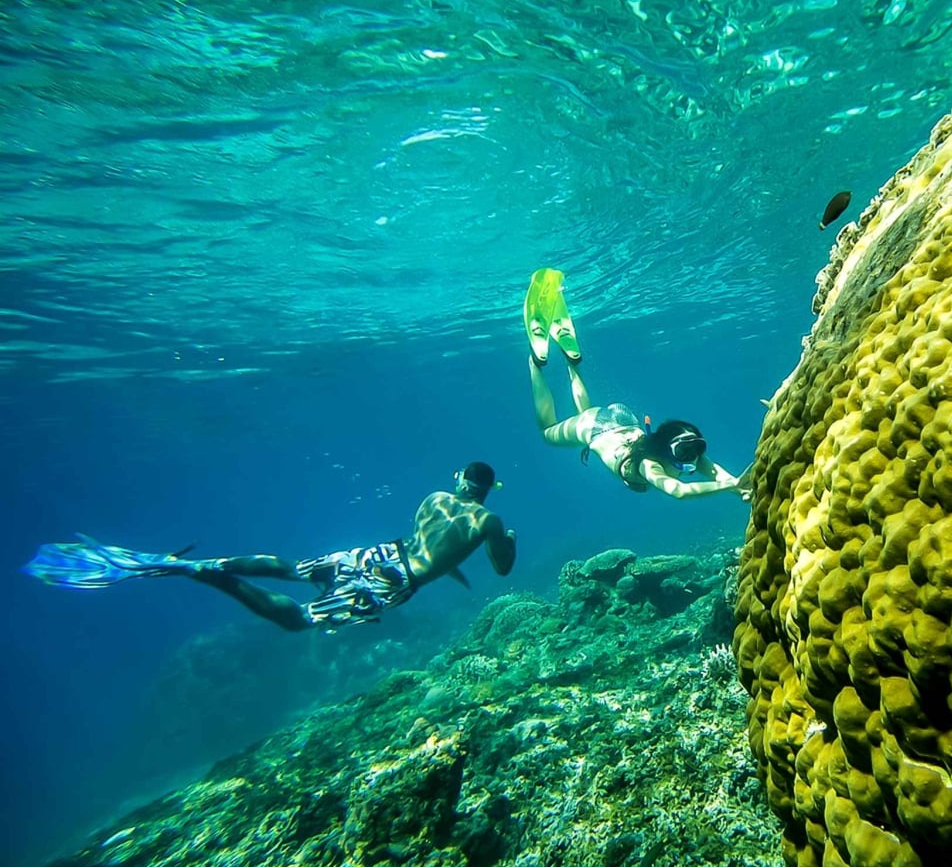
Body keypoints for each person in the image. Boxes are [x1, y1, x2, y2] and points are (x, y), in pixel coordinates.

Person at [23, 462, 517, 633]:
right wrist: (507, 543)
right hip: (399, 580)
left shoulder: (434, 498)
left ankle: (212, 562)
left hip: (379, 554)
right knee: (299, 618)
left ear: (460, 480)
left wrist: (449, 563)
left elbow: (430, 544)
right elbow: (501, 568)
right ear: (488, 490)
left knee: (295, 569)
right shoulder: (489, 520)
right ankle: (210, 576)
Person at [523, 267, 750, 499]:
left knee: (587, 414)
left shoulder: (687, 453)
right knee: (547, 431)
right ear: (666, 446)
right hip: (602, 427)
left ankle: (572, 362)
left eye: (697, 447)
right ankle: (535, 363)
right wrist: (732, 484)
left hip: (619, 422)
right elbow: (679, 491)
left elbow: (714, 471)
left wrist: (739, 487)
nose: (692, 456)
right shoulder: (648, 464)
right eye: (684, 450)